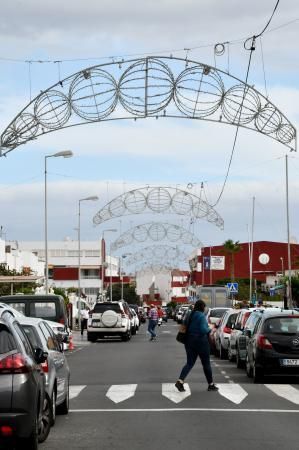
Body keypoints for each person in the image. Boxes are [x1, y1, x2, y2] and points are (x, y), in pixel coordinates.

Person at [175, 299, 218, 392]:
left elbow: (184, 325)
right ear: (202, 307)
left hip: (189, 341)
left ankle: (180, 381)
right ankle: (210, 384)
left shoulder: (190, 314)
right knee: (206, 364)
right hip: (201, 342)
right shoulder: (201, 316)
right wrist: (210, 328)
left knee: (189, 363)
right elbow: (203, 330)